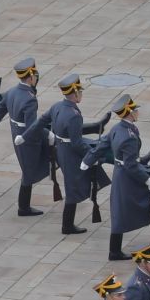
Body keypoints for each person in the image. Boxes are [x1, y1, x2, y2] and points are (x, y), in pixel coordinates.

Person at [0, 57, 52, 217]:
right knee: (30, 171)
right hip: (27, 140)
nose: (36, 78)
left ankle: (24, 206)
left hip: (16, 135)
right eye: (35, 76)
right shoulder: (30, 99)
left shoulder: (12, 92)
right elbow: (32, 127)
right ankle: (23, 207)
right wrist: (49, 134)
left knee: (28, 170)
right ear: (30, 77)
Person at [44, 74, 109, 235]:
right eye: (80, 91)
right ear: (75, 94)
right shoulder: (74, 115)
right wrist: (93, 155)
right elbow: (77, 143)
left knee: (73, 186)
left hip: (62, 150)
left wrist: (95, 127)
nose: (81, 94)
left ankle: (68, 224)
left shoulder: (58, 106)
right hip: (70, 154)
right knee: (72, 189)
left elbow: (66, 130)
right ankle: (67, 226)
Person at [93, 94, 150, 261]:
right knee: (121, 211)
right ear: (129, 113)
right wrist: (147, 179)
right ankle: (114, 251)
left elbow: (103, 144)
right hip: (127, 176)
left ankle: (115, 250)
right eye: (135, 110)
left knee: (118, 211)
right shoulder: (129, 136)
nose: (137, 112)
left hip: (121, 173)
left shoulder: (118, 128)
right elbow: (131, 165)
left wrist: (88, 159)